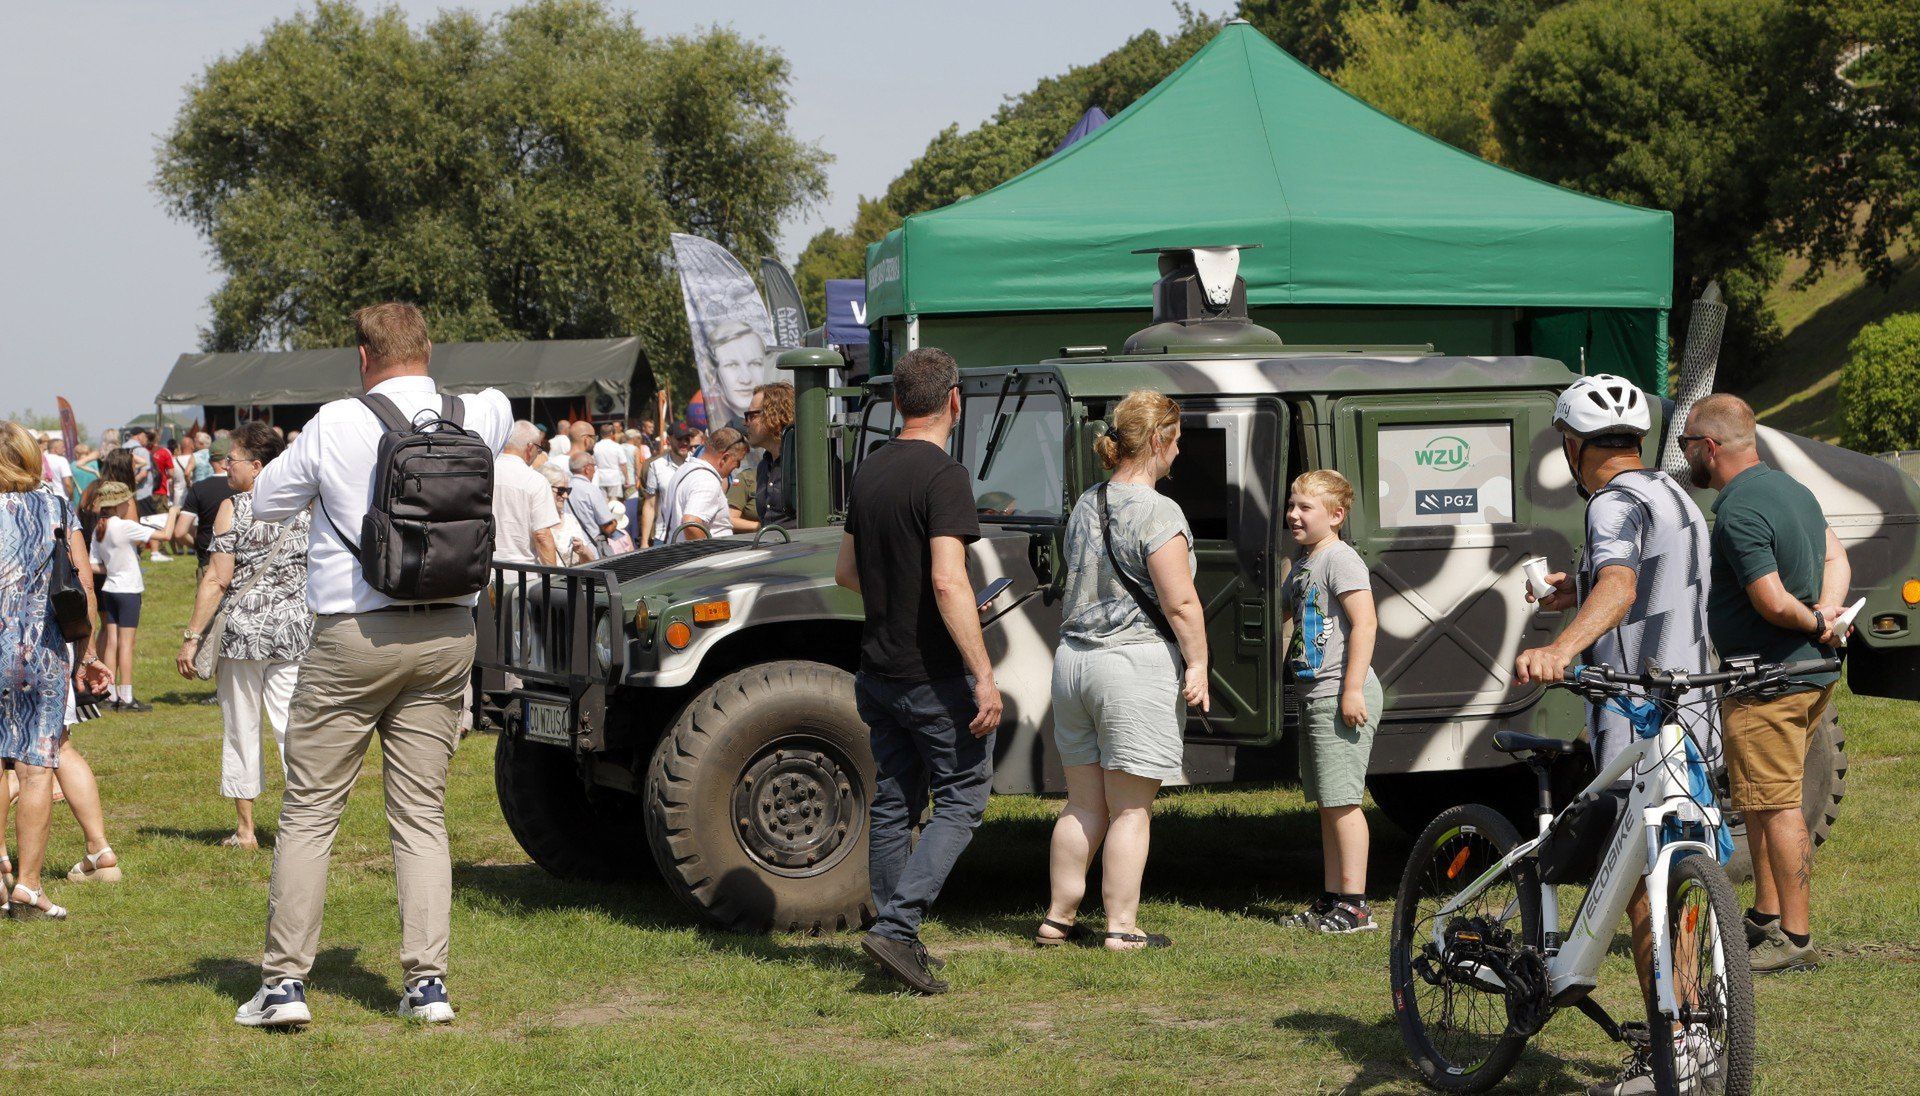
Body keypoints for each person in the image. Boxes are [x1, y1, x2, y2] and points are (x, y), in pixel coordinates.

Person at [235, 301, 511, 1030]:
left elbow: (264, 501)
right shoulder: (482, 413)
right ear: (428, 346)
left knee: (312, 810)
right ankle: (427, 984)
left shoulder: (336, 422)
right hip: (450, 630)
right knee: (421, 814)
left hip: (355, 632)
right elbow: (499, 411)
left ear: (363, 358)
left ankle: (285, 985)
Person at [1511, 376, 1717, 1096]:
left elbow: (1624, 588)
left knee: (1643, 887)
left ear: (1573, 446)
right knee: (1682, 875)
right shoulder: (1675, 496)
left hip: (1632, 711)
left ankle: (1674, 1049)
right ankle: (1693, 1040)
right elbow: (1650, 578)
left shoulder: (1608, 503)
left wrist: (1560, 647)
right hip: (1691, 708)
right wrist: (1582, 583)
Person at [833, 347, 1003, 995]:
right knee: (963, 796)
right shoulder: (945, 476)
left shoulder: (870, 470)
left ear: (899, 401)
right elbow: (947, 579)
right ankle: (898, 930)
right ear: (954, 400)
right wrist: (983, 673)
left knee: (896, 800)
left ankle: (891, 936)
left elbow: (847, 573)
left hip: (878, 670)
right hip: (932, 676)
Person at [1681, 394, 1849, 975]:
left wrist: (1815, 619)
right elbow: (1838, 556)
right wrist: (1827, 614)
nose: (1686, 460)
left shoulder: (1738, 512)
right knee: (1757, 797)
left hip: (1768, 682)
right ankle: (1764, 915)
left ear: (1709, 447)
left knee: (1777, 806)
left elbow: (1772, 600)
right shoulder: (1792, 490)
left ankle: (1795, 938)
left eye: (1686, 447)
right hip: (1808, 675)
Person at [1039, 389, 1207, 953]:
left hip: (1073, 665)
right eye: (1177, 441)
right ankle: (1121, 927)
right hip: (1131, 666)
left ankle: (1058, 919)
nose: (1180, 453)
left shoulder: (1089, 501)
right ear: (1158, 440)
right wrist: (1200, 662)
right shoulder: (1160, 511)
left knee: (1083, 802)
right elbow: (1180, 603)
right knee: (1132, 807)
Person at [175, 423, 312, 851]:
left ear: (256, 465)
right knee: (294, 728)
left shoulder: (233, 508)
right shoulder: (306, 506)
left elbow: (217, 578)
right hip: (293, 633)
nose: (226, 466)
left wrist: (192, 636)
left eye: (231, 459)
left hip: (243, 636)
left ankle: (246, 830)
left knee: (241, 729)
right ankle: (305, 826)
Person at [0, 420, 115, 920]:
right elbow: (81, 585)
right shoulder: (55, 505)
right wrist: (87, 653)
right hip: (45, 651)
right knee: (37, 766)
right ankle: (28, 885)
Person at [1280, 470, 1383, 933]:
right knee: (1327, 801)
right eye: (1292, 505)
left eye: (1305, 507)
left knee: (1343, 802)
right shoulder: (1305, 563)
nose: (1293, 514)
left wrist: (1352, 688)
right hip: (1315, 694)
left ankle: (1356, 906)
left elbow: (1365, 623)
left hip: (1341, 693)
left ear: (1337, 516)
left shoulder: (1340, 559)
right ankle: (1331, 898)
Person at [88, 481, 155, 712]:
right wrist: (175, 511)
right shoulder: (124, 526)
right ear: (119, 504)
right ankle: (126, 698)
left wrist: (112, 566)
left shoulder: (99, 527)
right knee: (127, 644)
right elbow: (164, 535)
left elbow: (93, 565)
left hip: (109, 588)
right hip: (128, 590)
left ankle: (110, 692)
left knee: (112, 641)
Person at [661, 426, 749, 543]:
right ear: (725, 458)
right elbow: (691, 525)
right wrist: (708, 555)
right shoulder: (706, 480)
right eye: (738, 460)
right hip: (704, 559)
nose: (738, 466)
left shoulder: (684, 469)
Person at [492, 421, 560, 567]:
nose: (538, 454)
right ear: (530, 447)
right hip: (521, 573)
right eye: (539, 449)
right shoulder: (536, 480)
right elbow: (542, 535)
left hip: (484, 570)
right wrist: (554, 579)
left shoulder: (486, 472)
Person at [177, 437, 237, 570]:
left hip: (208, 560)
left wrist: (197, 546)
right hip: (239, 560)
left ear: (210, 462)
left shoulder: (198, 488)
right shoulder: (243, 487)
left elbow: (180, 532)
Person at [745, 382, 795, 529]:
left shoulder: (804, 462)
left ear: (774, 414)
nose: (745, 423)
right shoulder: (763, 465)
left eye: (750, 416)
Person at [639, 425, 691, 547]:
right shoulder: (656, 466)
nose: (684, 443)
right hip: (664, 538)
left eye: (687, 439)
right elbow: (650, 505)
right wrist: (644, 542)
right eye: (679, 439)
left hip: (692, 535)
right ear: (669, 440)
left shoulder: (698, 464)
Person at [540, 463, 597, 565]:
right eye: (561, 490)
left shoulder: (570, 520)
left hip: (571, 579)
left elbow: (589, 562)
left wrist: (583, 551)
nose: (566, 496)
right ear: (545, 488)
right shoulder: (533, 521)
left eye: (567, 490)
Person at [567, 452, 620, 553]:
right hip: (591, 548)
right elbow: (608, 527)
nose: (595, 470)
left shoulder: (564, 488)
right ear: (587, 469)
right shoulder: (591, 490)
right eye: (594, 466)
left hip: (570, 548)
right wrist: (615, 522)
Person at [592, 422, 626, 506]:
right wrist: (626, 478)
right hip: (614, 476)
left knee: (603, 501)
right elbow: (623, 464)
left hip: (600, 476)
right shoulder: (617, 446)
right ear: (611, 433)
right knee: (614, 501)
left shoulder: (596, 446)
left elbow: (593, 462)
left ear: (600, 433)